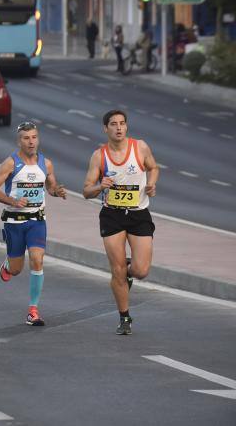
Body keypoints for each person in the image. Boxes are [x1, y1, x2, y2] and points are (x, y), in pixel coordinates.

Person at [82, 110, 158, 335]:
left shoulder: (140, 147)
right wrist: (99, 186)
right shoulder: (99, 156)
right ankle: (125, 317)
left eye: (122, 124)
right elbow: (86, 190)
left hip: (138, 213)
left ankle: (128, 269)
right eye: (113, 124)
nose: (118, 128)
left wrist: (151, 184)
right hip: (112, 215)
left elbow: (154, 167)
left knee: (141, 270)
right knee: (117, 271)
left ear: (126, 127)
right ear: (105, 128)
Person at [0, 121, 67, 327]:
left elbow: (50, 186)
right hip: (14, 222)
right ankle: (8, 264)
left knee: (37, 260)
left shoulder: (45, 163)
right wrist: (13, 201)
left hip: (36, 220)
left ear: (38, 139)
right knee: (16, 270)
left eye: (34, 137)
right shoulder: (10, 164)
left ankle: (33, 310)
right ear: (19, 141)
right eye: (26, 138)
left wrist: (57, 191)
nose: (31, 142)